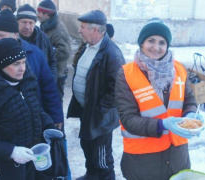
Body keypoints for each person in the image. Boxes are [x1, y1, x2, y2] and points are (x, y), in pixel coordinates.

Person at [115, 18, 204, 180]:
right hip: (143, 161)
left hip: (178, 156)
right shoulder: (126, 74)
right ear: (142, 43)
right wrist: (162, 124)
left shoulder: (179, 69)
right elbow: (128, 119)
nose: (156, 47)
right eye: (151, 41)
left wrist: (191, 115)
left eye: (162, 42)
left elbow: (189, 101)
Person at [0, 38, 56, 180]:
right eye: (16, 64)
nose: (23, 68)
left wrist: (48, 124)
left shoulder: (27, 80)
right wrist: (12, 152)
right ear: (1, 66)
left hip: (37, 156)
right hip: (11, 166)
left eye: (23, 62)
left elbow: (34, 107)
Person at [0, 9, 63, 129]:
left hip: (32, 120)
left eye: (1, 35)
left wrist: (55, 115)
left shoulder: (34, 54)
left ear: (15, 34)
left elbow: (48, 87)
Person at [67, 10, 125, 180]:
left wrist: (99, 109)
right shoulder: (87, 46)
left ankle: (104, 177)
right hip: (87, 110)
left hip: (100, 116)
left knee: (102, 158)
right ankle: (91, 175)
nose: (79, 30)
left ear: (95, 30)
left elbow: (118, 89)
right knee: (87, 145)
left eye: (82, 27)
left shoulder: (112, 53)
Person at [37, 0, 71, 101]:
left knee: (55, 104)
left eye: (39, 13)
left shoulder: (58, 29)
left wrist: (44, 55)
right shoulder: (45, 26)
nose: (37, 15)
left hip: (57, 75)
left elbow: (65, 51)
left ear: (47, 14)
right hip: (48, 72)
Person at [16, 4, 57, 80]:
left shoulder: (43, 38)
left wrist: (51, 79)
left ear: (35, 23)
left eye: (31, 23)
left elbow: (52, 61)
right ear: (17, 22)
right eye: (24, 22)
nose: (27, 27)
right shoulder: (11, 39)